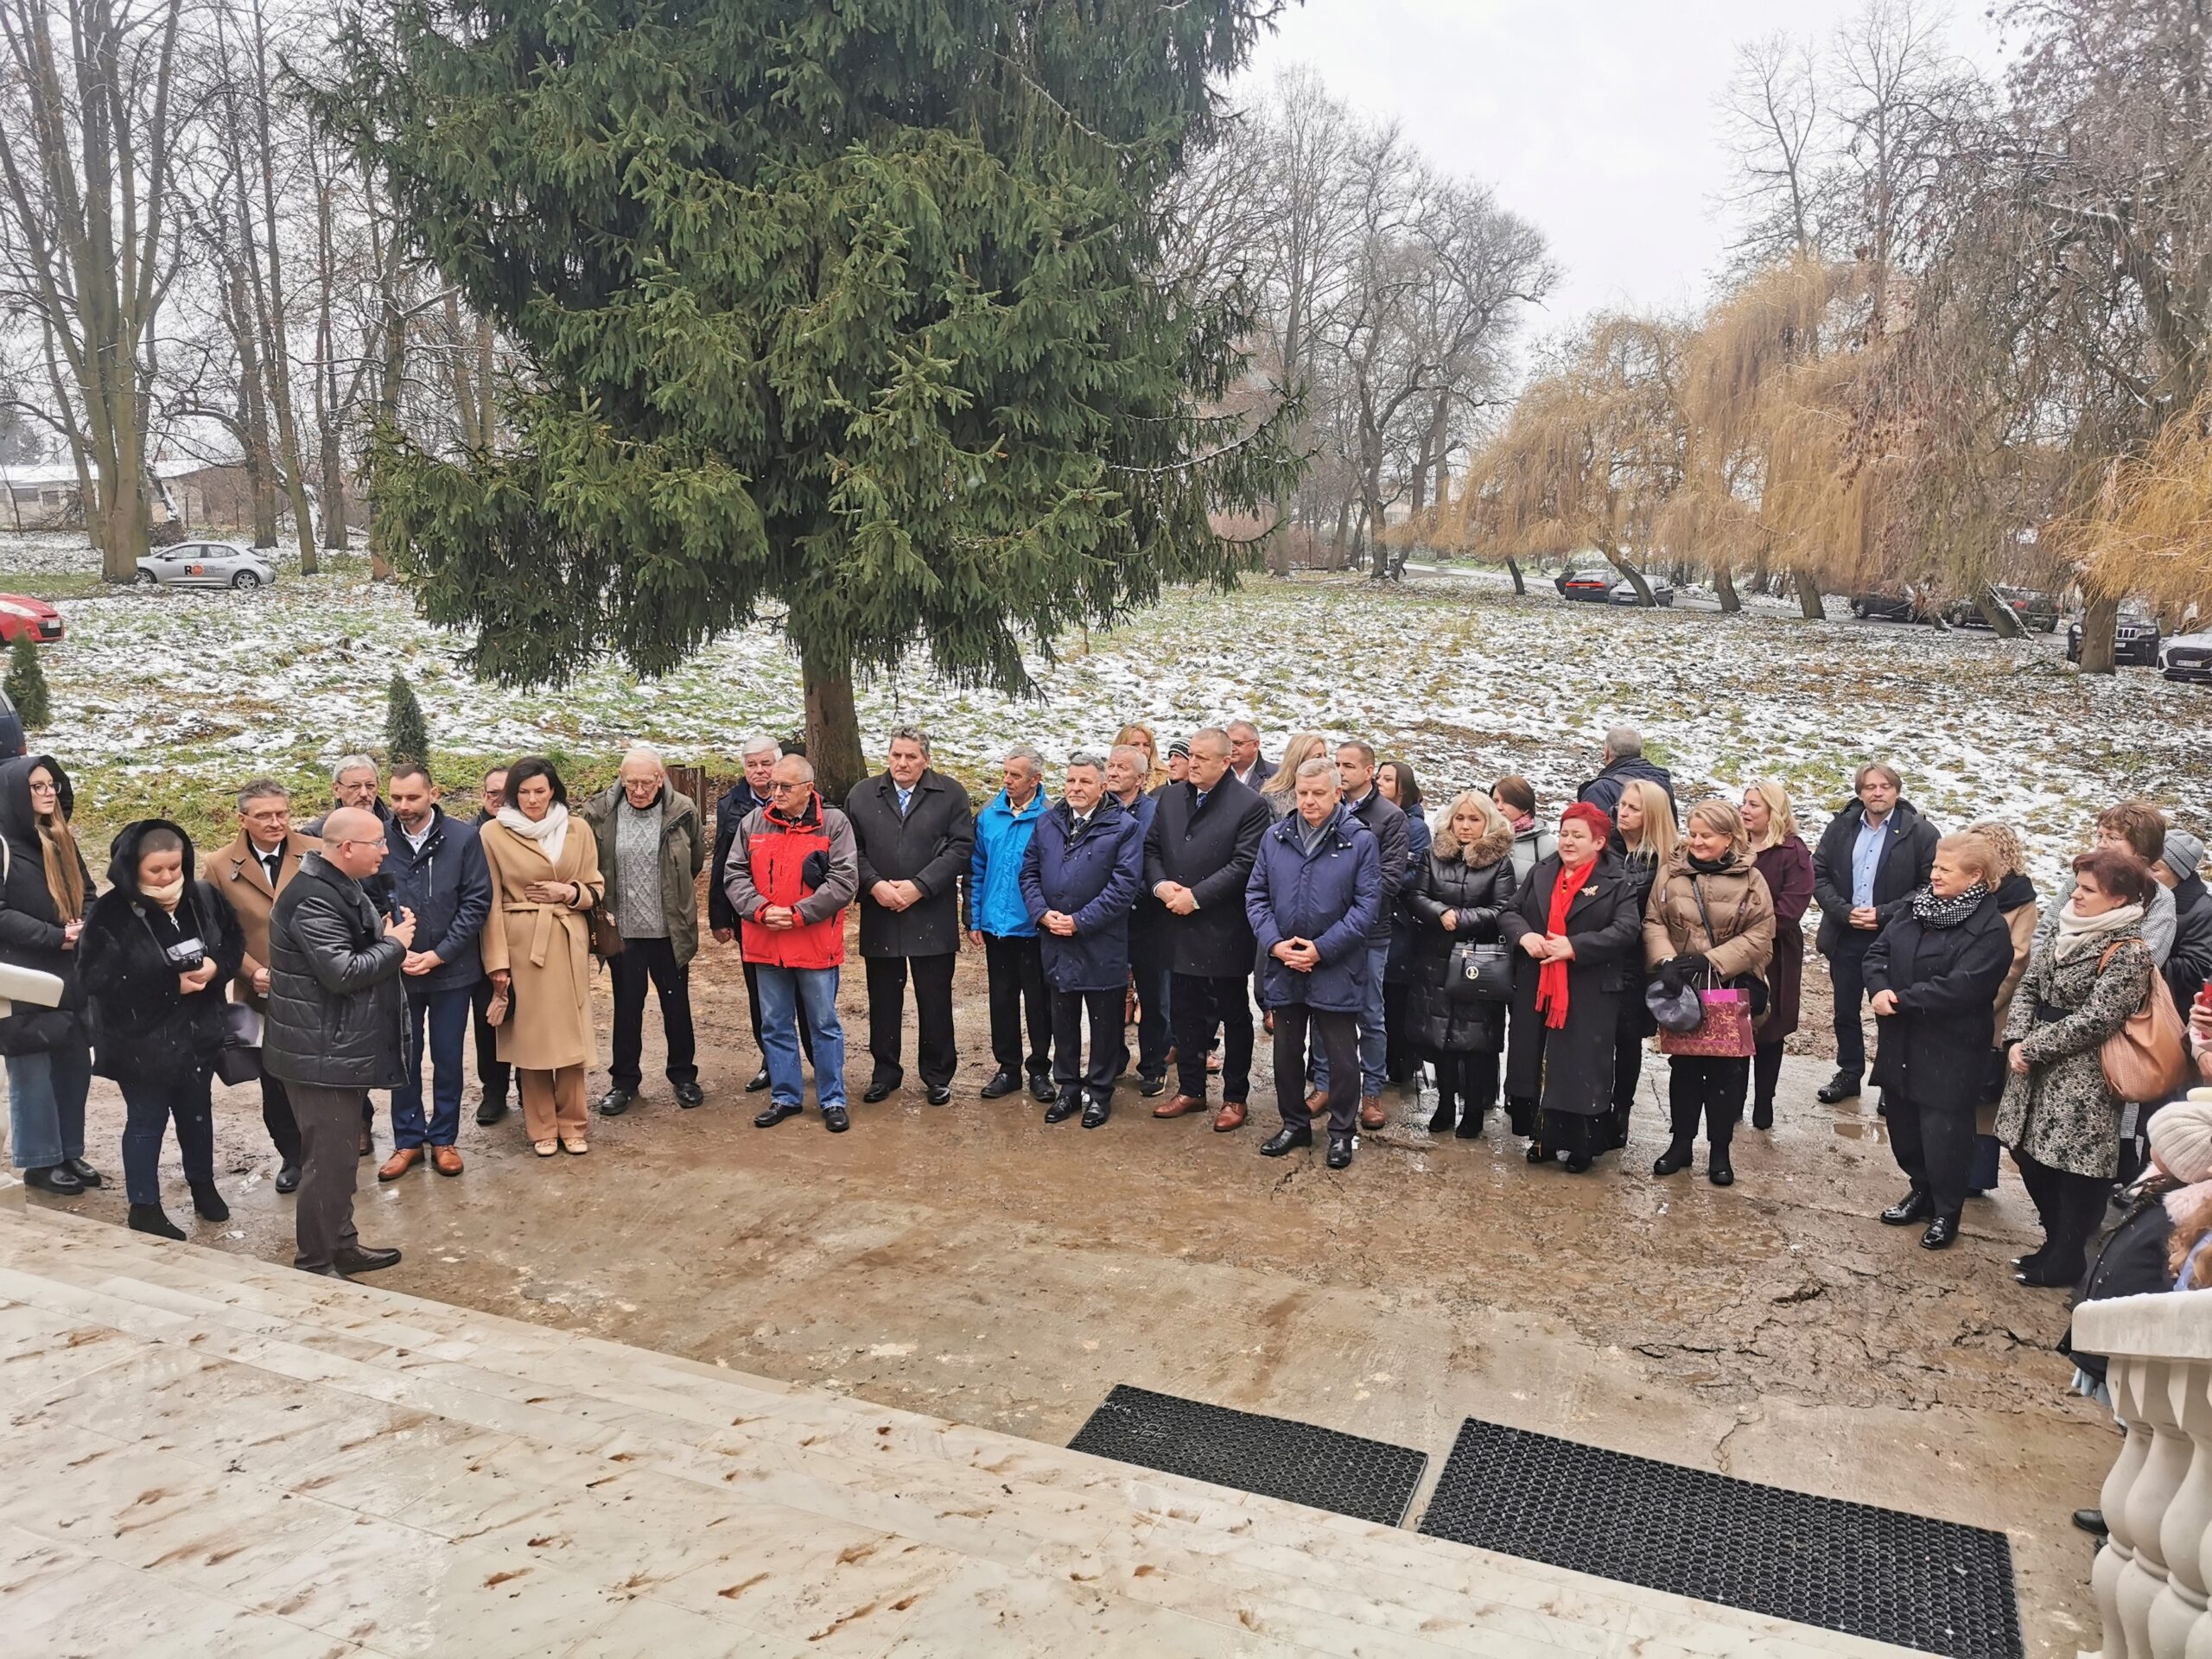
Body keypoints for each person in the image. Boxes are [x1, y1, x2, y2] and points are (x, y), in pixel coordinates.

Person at [1999, 847, 2159, 1287]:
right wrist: (2015, 1038)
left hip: (2082, 1076)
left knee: (2069, 1169)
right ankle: (2055, 1244)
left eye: (2089, 889)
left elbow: (2098, 1019)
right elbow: (2029, 984)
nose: (2076, 895)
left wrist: (2033, 1047)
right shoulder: (2068, 929)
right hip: (2032, 1064)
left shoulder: (2129, 952)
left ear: (2120, 899)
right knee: (2026, 1155)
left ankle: (2067, 1254)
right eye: (2077, 885)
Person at [264, 806, 411, 1280]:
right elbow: (343, 972)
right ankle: (315, 1261)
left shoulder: (333, 887)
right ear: (347, 848)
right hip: (318, 1054)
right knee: (325, 1164)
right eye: (377, 844)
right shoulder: (313, 899)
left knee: (341, 1158)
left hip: (333, 1046)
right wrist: (395, 944)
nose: (386, 851)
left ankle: (341, 1244)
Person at [78, 820, 245, 1239]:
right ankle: (144, 1205)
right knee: (147, 1119)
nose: (169, 877)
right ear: (132, 869)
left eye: (175, 867)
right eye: (157, 871)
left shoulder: (202, 897)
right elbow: (95, 978)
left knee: (196, 1114)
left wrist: (217, 968)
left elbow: (232, 939)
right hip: (140, 1041)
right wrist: (169, 984)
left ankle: (202, 1186)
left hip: (197, 1034)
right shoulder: (111, 912)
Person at [1861, 834, 2015, 1248]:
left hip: (1950, 1047)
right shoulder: (1916, 908)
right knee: (1905, 1127)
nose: (1934, 874)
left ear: (1975, 876)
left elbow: (1965, 987)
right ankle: (1920, 1190)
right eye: (1934, 866)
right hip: (1902, 1039)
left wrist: (1902, 1000)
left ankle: (1947, 1211)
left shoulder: (1990, 930)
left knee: (1944, 1134)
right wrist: (1878, 988)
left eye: (1945, 869)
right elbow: (1877, 953)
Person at [1249, 758, 1382, 1169]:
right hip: (1285, 963)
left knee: (1342, 1056)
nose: (1309, 801)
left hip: (1336, 966)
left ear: (1337, 793)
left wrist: (1321, 949)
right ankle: (1294, 1123)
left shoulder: (1359, 840)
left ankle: (1342, 1132)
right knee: (1286, 1052)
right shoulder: (1276, 836)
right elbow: (1256, 895)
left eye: (1318, 793)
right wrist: (1275, 945)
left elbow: (1366, 907)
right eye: (1303, 793)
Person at [1500, 802, 1644, 1173]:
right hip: (1539, 982)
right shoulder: (1543, 870)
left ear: (1598, 842)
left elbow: (1627, 930)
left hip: (1589, 987)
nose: (1567, 841)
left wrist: (1575, 947)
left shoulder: (1617, 880)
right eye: (1564, 833)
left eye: (1577, 836)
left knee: (1580, 1067)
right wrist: (1525, 936)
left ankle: (1582, 1146)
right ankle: (1544, 1137)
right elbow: (1510, 911)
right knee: (1540, 1061)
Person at [1643, 800, 1777, 1186]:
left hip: (1727, 986)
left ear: (1729, 838)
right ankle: (1680, 1144)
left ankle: (1720, 1151)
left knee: (1724, 1073)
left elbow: (1760, 933)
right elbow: (1654, 919)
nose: (1696, 841)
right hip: (1682, 988)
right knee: (1683, 1069)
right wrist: (1667, 960)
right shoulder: (1671, 872)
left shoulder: (1751, 880)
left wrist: (1712, 960)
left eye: (1706, 835)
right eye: (1693, 832)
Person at [479, 757, 606, 1157]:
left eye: (540, 790)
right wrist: (497, 961)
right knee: (532, 1041)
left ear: (554, 790)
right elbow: (491, 901)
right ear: (513, 795)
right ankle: (541, 1126)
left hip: (568, 938)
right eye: (524, 792)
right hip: (522, 943)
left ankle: (573, 1122)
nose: (533, 799)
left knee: (570, 1038)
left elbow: (594, 885)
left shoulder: (578, 828)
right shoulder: (492, 833)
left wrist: (569, 893)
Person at [1145, 728, 1269, 1130]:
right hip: (1175, 924)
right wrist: (1162, 886)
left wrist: (1195, 897)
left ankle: (1235, 1096)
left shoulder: (1250, 805)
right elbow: (1151, 849)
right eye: (1189, 756)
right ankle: (1191, 1091)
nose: (1190, 762)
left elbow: (1244, 863)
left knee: (1233, 1015)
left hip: (1222, 928)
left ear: (1225, 760)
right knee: (1186, 1014)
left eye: (1200, 757)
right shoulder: (1170, 797)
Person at [726, 754, 858, 1131]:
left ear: (808, 789)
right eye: (772, 787)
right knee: (775, 1023)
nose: (776, 793)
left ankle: (833, 1099)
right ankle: (785, 1096)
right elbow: (734, 872)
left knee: (823, 1024)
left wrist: (800, 913)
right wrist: (761, 910)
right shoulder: (754, 821)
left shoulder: (834, 824)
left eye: (785, 787)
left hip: (814, 943)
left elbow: (844, 881)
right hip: (766, 940)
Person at [848, 726, 975, 1107]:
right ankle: (885, 1072)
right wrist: (874, 885)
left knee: (934, 998)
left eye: (911, 757)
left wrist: (920, 885)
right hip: (880, 911)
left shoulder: (950, 793)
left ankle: (937, 1075)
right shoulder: (862, 794)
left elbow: (961, 847)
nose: (902, 763)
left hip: (930, 913)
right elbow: (849, 849)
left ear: (926, 759)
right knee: (883, 998)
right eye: (896, 756)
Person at [376, 765, 492, 1179]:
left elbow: (476, 902)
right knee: (402, 1058)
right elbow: (364, 898)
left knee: (447, 1056)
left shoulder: (464, 838)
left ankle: (444, 1138)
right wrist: (391, 947)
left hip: (451, 972)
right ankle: (407, 1140)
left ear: (434, 793)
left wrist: (440, 954)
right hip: (396, 971)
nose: (403, 807)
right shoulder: (378, 838)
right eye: (396, 798)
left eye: (412, 798)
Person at [204, 778, 320, 1187]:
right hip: (261, 990)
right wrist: (253, 971)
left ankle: (330, 1152)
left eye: (282, 813)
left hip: (317, 988)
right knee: (276, 1081)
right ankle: (291, 1156)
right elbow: (217, 934)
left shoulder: (315, 852)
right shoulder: (219, 866)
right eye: (265, 815)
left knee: (321, 1075)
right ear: (242, 819)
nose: (276, 822)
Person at [581, 745, 707, 1116]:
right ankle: (624, 1083)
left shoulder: (682, 810)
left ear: (661, 778)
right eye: (631, 782)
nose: (639, 790)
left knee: (676, 1005)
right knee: (627, 1007)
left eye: (647, 782)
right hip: (624, 932)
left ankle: (684, 1077)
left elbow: (694, 862)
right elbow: (590, 863)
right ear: (621, 779)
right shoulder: (600, 811)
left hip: (669, 930)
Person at [1021, 753, 1143, 1128]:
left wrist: (1080, 921)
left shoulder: (1124, 827)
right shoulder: (1047, 823)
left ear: (1103, 786)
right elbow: (1028, 873)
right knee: (1063, 1018)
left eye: (1085, 782)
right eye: (1071, 780)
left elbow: (1124, 886)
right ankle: (1069, 1088)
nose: (1075, 788)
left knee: (1105, 1022)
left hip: (1100, 941)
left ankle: (1100, 1092)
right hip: (1056, 939)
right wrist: (1043, 913)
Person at [1810, 763, 1940, 1103]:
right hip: (1846, 934)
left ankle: (1890, 1082)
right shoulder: (1841, 827)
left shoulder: (1920, 832)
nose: (1877, 792)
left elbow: (1930, 886)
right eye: (1870, 787)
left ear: (1897, 791)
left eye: (1885, 786)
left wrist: (1884, 914)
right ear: (1860, 792)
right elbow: (1818, 874)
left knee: (1891, 1011)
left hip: (1895, 938)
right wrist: (1843, 911)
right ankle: (1850, 1073)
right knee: (1845, 1011)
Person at [0, 754, 97, 1196]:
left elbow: (91, 893)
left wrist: (86, 927)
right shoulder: (2, 845)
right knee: (33, 1069)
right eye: (36, 786)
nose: (47, 793)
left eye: (51, 784)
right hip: (24, 976)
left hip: (71, 970)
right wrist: (52, 935)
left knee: (73, 1064)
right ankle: (40, 1161)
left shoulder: (61, 839)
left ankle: (69, 1150)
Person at [1405, 791, 1518, 1138]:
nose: (1466, 826)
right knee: (1442, 1039)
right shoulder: (1434, 854)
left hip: (1479, 962)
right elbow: (1415, 895)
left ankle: (1473, 1109)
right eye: (1460, 818)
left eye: (1474, 819)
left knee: (1476, 1042)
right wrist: (1440, 913)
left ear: (1487, 823)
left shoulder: (1499, 862)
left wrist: (1463, 918)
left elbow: (1503, 908)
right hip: (1436, 956)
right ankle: (1444, 1103)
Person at [1309, 741, 1408, 1133]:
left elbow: (1389, 879)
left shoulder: (1389, 817)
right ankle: (1323, 1084)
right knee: (1323, 1009)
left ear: (1369, 771)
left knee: (1369, 1013)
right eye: (1337, 764)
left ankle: (1371, 1091)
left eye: (1349, 765)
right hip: (1325, 932)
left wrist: (1346, 909)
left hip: (1369, 933)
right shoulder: (1326, 811)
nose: (1342, 770)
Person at [709, 734, 810, 1092]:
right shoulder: (731, 805)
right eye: (752, 764)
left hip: (799, 914)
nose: (760, 771)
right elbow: (724, 862)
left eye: (766, 763)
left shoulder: (808, 804)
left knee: (806, 991)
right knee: (761, 994)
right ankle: (773, 1060)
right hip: (753, 915)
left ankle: (815, 1056)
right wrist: (720, 916)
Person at [966, 745, 1055, 1102]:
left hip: (1034, 927)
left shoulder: (1051, 816)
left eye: (1015, 775)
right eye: (1005, 772)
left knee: (1039, 1001)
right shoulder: (989, 813)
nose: (1007, 780)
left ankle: (1039, 1070)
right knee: (1001, 1000)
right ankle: (1007, 1068)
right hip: (995, 927)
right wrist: (973, 917)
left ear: (1036, 779)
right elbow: (976, 868)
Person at [1963, 819, 2041, 1196]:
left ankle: (1976, 1176)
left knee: (1984, 1092)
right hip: (1956, 1002)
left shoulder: (2020, 899)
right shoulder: (1968, 887)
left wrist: (1977, 1000)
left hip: (1991, 1008)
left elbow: (2018, 958)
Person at [1608, 779, 1676, 1148]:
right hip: (1602, 956)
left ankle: (1622, 1111)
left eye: (1634, 808)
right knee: (1601, 1037)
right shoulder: (1606, 846)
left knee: (1628, 1040)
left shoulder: (1666, 859)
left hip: (1639, 961)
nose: (1623, 812)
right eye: (1622, 805)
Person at [1744, 781, 1815, 1131]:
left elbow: (1792, 906)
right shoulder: (1735, 845)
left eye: (1754, 805)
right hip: (1735, 950)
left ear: (1773, 810)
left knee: (1770, 1027)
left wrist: (1753, 934)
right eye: (1744, 803)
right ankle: (1733, 1097)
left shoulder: (1792, 852)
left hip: (1776, 950)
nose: (1745, 810)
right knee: (1735, 1021)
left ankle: (1764, 1101)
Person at [2037, 802, 2177, 967]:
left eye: (2113, 838)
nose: (2102, 844)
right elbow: (2044, 930)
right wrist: (2039, 972)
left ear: (2141, 847)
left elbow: (2144, 963)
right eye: (2100, 836)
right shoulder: (2081, 879)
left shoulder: (2158, 898)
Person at [1106, 744, 1170, 1096]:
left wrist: (1138, 896)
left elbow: (1161, 859)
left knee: (1154, 995)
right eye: (1110, 766)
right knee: (1110, 993)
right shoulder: (1098, 810)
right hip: (1107, 918)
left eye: (1122, 768)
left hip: (1149, 917)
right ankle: (1112, 1058)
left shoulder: (1157, 813)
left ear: (1141, 778)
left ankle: (1154, 1065)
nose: (1113, 772)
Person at [1376, 760, 1432, 1090]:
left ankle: (1400, 1065)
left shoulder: (1417, 827)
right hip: (1381, 916)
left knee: (1397, 996)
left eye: (1388, 779)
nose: (1380, 782)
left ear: (1404, 788)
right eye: (1378, 777)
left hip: (1401, 920)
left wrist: (1384, 877)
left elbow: (1416, 873)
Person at [469, 766, 514, 1123]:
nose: (499, 799)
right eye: (492, 793)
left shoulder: (529, 829)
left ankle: (533, 1086)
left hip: (524, 936)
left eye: (506, 792)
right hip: (481, 939)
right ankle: (494, 1091)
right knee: (489, 1020)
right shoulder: (469, 835)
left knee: (527, 1017)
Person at [2155, 829, 2212, 1022]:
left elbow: (2196, 967)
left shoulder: (2204, 910)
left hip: (2167, 1006)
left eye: (2155, 869)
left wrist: (2141, 959)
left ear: (2179, 875)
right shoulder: (2141, 892)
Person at [1576, 725, 1677, 831]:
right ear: (1639, 752)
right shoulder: (1661, 782)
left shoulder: (1600, 790)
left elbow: (1592, 836)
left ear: (1607, 753)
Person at [302, 754, 391, 836]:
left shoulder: (397, 825)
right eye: (355, 786)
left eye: (370, 786)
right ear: (336, 789)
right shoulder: (316, 834)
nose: (364, 793)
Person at [1494, 776, 1556, 882]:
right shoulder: (1481, 835)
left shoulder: (1545, 845)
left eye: (1506, 802)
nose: (1499, 807)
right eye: (1495, 801)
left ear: (1524, 808)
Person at [1258, 734, 1328, 821]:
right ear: (1299, 761)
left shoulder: (1333, 791)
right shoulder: (1271, 796)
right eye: (1318, 757)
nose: (1325, 761)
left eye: (1325, 755)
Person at [1113, 723, 1168, 791]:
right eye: (1134, 745)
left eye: (1146, 745)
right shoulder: (1107, 776)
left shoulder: (1166, 779)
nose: (1141, 750)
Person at [1227, 721, 1274, 792]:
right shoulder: (1216, 771)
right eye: (1228, 743)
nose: (1232, 748)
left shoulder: (1276, 775)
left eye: (1238, 743)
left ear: (1255, 745)